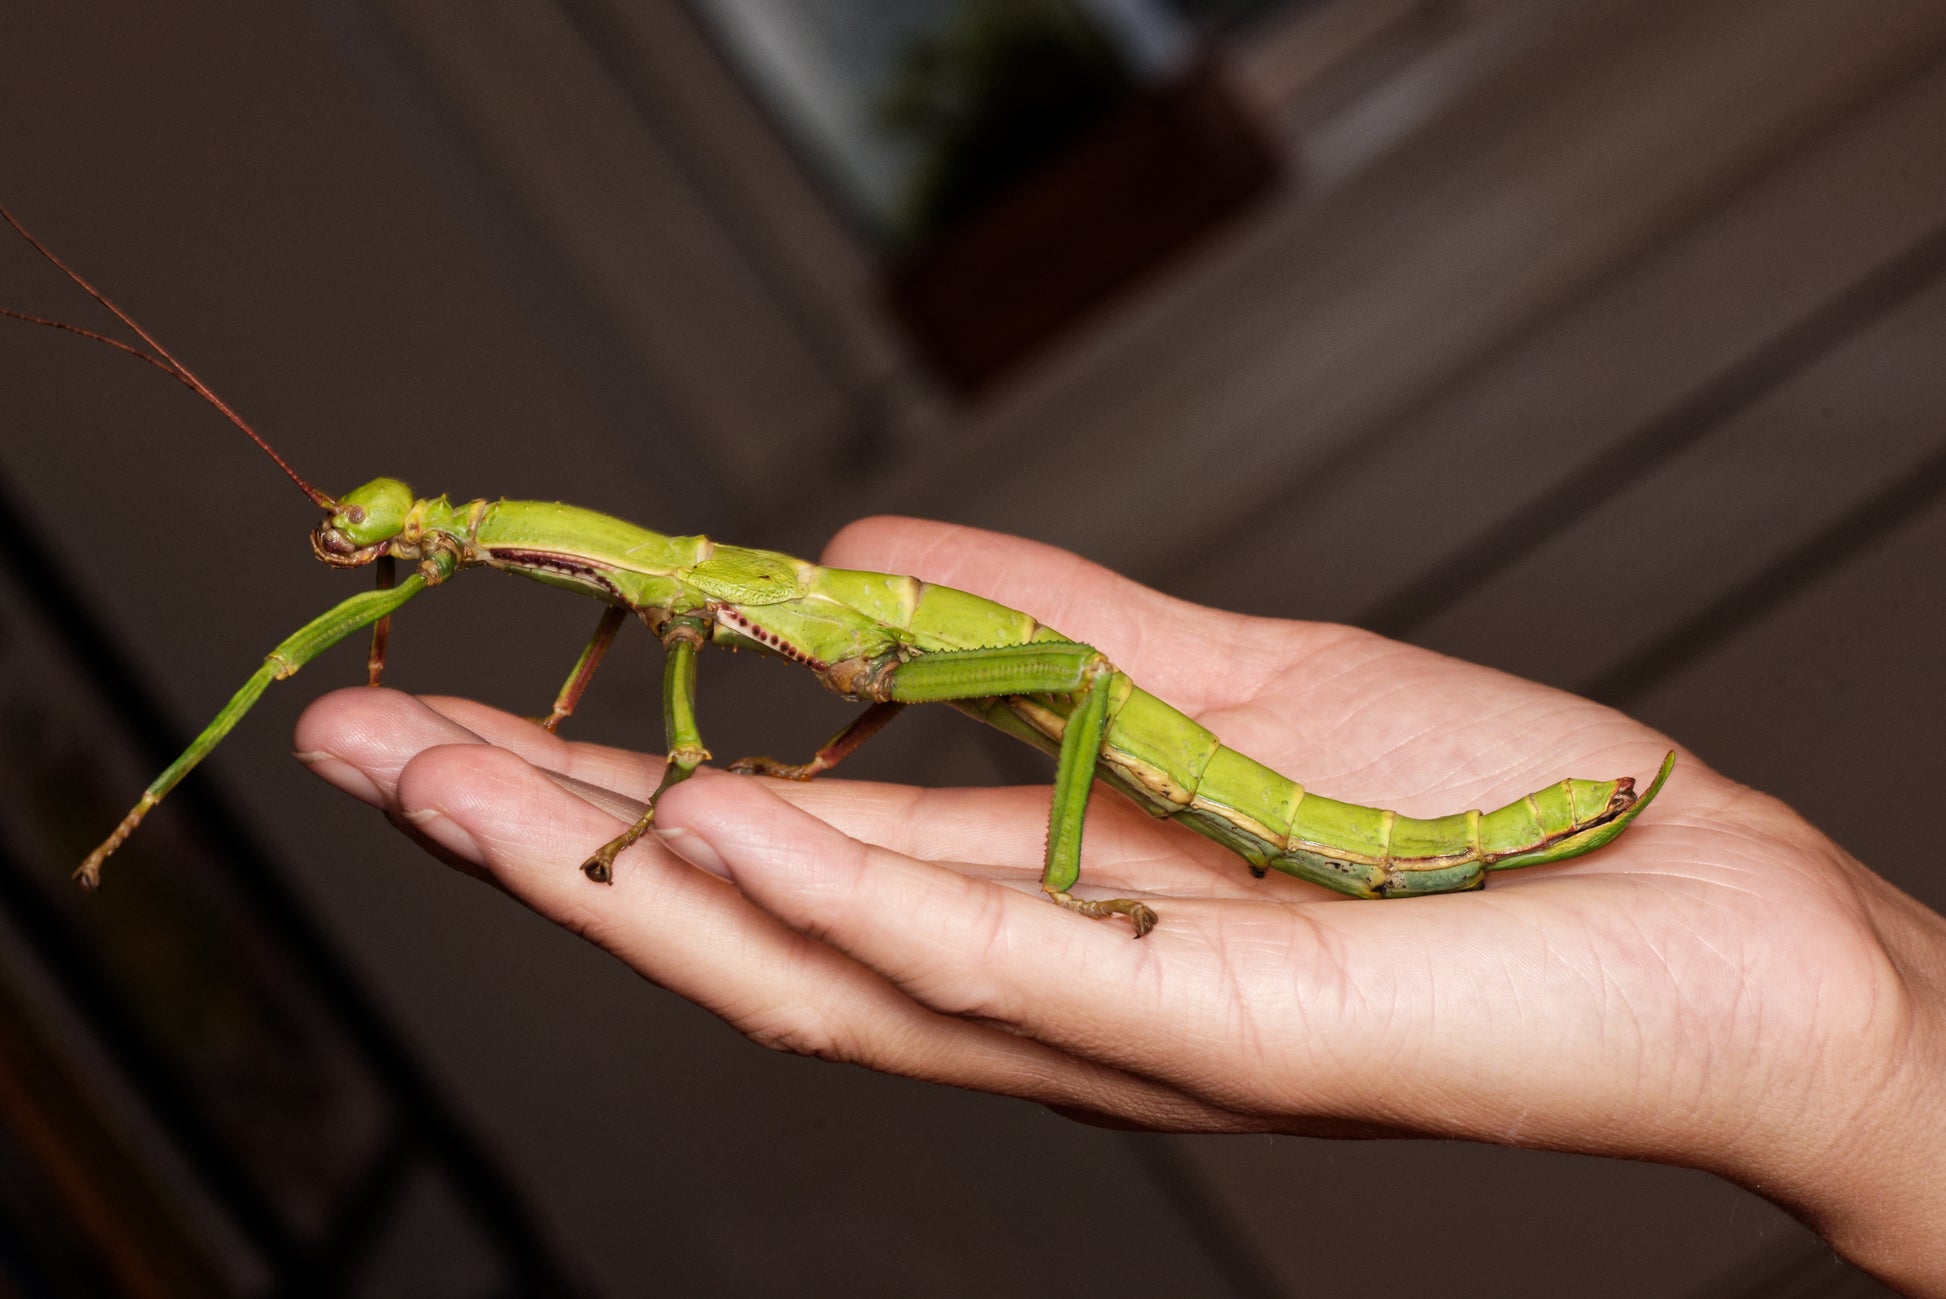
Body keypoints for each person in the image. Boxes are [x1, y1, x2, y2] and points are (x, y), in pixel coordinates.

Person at [294, 516, 1946, 1294]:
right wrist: (1873, 1055)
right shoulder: (670, 596)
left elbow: (685, 637)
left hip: (1248, 790)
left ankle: (1071, 875)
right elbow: (654, 621)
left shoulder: (698, 599)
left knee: (1058, 688)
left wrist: (1878, 1069)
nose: (404, 558)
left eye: (422, 547)